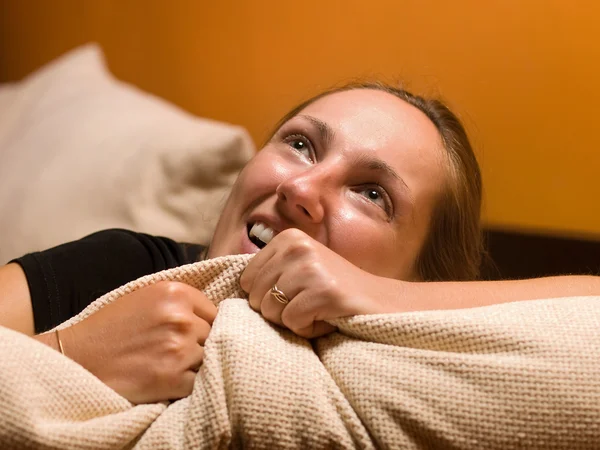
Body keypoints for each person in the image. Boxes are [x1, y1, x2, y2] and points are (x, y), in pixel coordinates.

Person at [0, 82, 598, 405]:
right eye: (301, 145)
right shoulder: (123, 267)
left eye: (371, 194)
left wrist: (379, 297)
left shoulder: (409, 369)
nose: (302, 188)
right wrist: (71, 356)